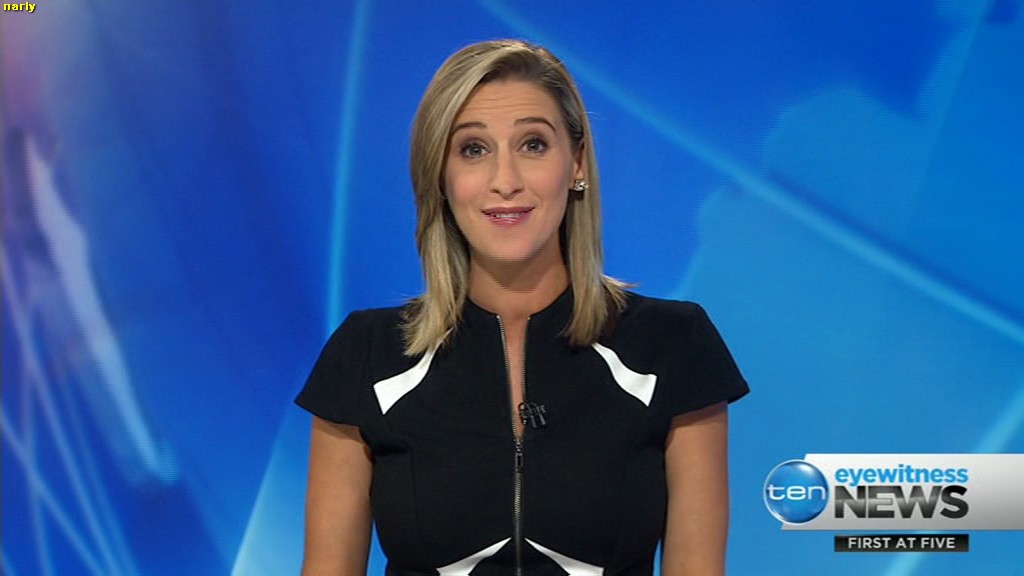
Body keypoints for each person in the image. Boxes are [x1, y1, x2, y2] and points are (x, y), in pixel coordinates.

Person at [296, 39, 748, 576]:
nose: (505, 182)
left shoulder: (671, 344)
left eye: (533, 144)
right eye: (473, 149)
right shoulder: (366, 355)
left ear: (576, 164)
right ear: (439, 176)